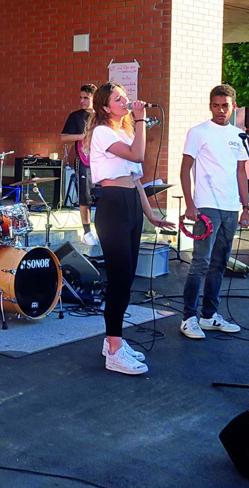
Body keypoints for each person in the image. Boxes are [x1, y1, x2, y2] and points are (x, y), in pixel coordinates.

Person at [86, 82, 174, 375]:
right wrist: (139, 120)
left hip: (131, 204)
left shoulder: (124, 132)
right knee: (119, 277)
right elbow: (137, 156)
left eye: (125, 96)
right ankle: (113, 347)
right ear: (104, 107)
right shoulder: (102, 132)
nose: (125, 101)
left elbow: (137, 180)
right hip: (112, 204)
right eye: (118, 99)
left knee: (128, 276)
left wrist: (151, 215)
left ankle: (114, 340)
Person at [178, 84, 249, 341]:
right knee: (201, 262)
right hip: (207, 206)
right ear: (210, 106)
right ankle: (189, 318)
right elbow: (185, 169)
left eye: (226, 105)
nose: (221, 110)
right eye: (216, 105)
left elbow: (241, 172)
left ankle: (209, 315)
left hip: (231, 208)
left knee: (220, 263)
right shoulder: (198, 132)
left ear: (233, 107)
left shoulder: (239, 135)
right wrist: (190, 203)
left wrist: (245, 206)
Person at [60, 83, 99, 245]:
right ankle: (87, 232)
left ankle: (102, 229)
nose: (82, 101)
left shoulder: (102, 116)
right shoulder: (75, 116)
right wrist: (82, 136)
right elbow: (63, 137)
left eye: (86, 98)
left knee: (104, 197)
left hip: (102, 162)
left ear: (94, 99)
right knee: (85, 198)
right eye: (81, 97)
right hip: (84, 161)